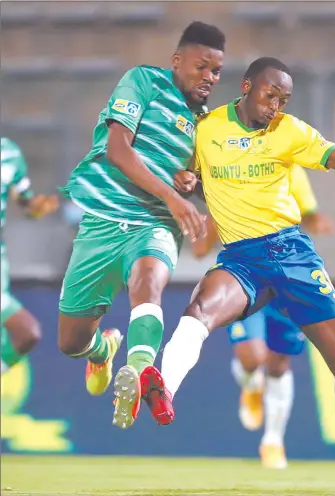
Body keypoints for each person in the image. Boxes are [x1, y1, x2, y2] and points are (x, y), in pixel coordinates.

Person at [155, 56, 335, 494]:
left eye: (284, 99)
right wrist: (182, 177)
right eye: (271, 95)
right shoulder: (208, 128)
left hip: (291, 254)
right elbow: (184, 171)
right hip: (241, 258)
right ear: (248, 86)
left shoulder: (290, 132)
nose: (276, 105)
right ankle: (163, 388)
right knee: (199, 310)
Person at [57, 21, 225, 430]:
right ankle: (103, 349)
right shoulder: (143, 81)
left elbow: (198, 181)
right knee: (71, 341)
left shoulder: (205, 125)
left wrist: (192, 183)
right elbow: (118, 149)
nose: (209, 78)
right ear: (177, 61)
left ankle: (140, 370)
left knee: (149, 276)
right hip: (103, 219)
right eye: (202, 67)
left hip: (154, 222)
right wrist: (173, 191)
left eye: (217, 72)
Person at [191, 165, 335, 469]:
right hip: (247, 276)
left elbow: (306, 212)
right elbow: (218, 215)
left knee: (278, 363)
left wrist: (315, 220)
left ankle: (273, 441)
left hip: (289, 275)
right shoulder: (231, 165)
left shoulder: (289, 167)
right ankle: (251, 384)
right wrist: (205, 239)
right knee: (252, 357)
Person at [1, 137, 59, 374]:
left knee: (27, 334)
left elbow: (25, 201)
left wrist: (37, 207)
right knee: (27, 331)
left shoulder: (9, 153)